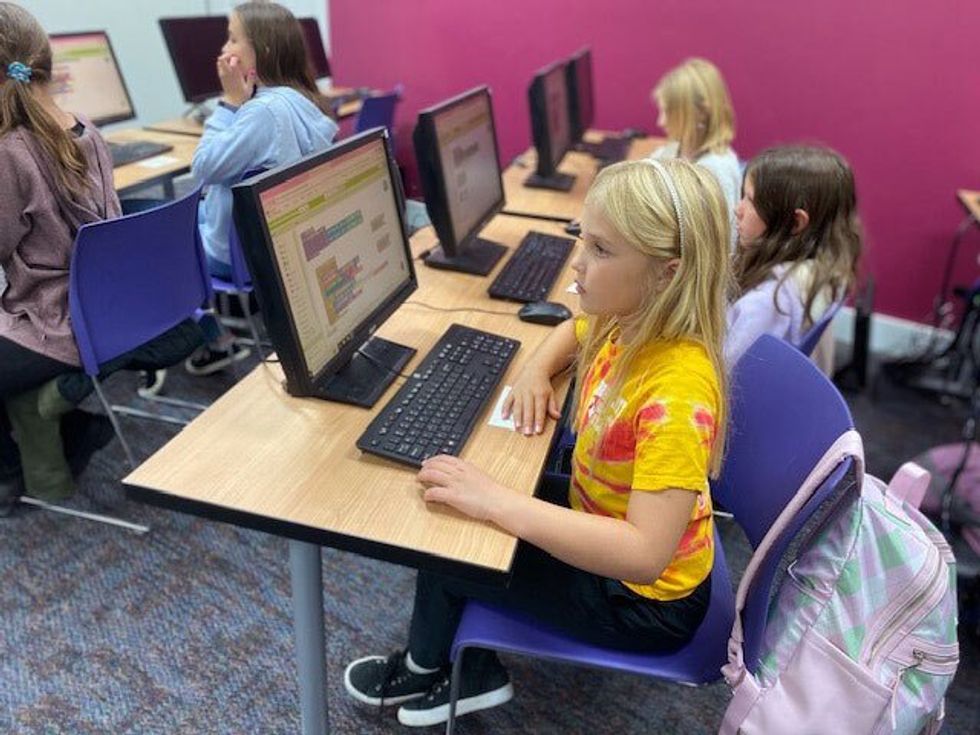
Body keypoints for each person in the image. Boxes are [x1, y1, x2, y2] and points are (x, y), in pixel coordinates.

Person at [342, 158, 732, 728]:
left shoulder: (677, 390)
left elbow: (643, 555)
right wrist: (532, 370)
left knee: (454, 549)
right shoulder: (629, 317)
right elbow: (573, 329)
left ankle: (446, 671)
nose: (579, 262)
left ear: (667, 273)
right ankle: (440, 657)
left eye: (601, 249)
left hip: (642, 601)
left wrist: (502, 504)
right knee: (461, 495)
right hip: (607, 514)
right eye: (583, 239)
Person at [0, 2, 121, 511]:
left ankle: (10, 474)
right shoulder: (85, 129)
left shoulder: (10, 151)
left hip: (55, 324)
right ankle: (72, 427)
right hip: (106, 312)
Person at [186, 0, 339, 375]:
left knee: (144, 236)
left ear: (262, 51)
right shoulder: (303, 101)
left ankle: (212, 339)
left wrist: (229, 104)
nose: (224, 50)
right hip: (285, 245)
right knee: (185, 211)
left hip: (236, 257)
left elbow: (203, 168)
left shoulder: (262, 113)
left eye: (232, 39)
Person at [726, 145, 863, 372]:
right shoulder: (824, 269)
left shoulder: (769, 302)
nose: (737, 209)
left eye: (749, 200)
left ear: (796, 223)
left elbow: (720, 371)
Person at [649, 58, 741, 239]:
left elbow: (722, 245)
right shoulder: (677, 146)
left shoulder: (716, 171)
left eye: (668, 112)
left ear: (700, 113)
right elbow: (648, 173)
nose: (661, 122)